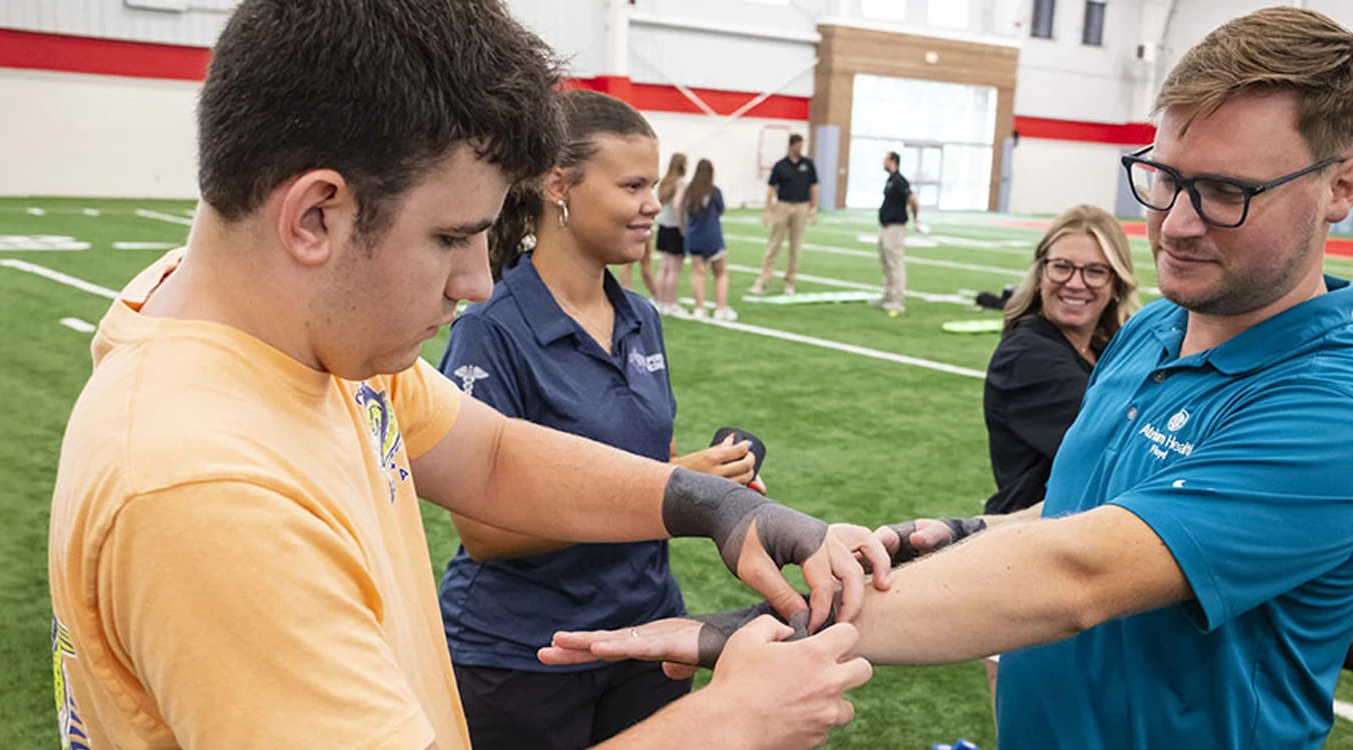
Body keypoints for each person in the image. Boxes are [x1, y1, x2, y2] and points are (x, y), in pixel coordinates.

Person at [43, 3, 878, 749]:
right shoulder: (205, 490)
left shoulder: (285, 326)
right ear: (314, 216)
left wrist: (716, 507)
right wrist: (725, 723)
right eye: (451, 238)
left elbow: (490, 456)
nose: (479, 280)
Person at [538, 8, 1353, 749]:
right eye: (1166, 177)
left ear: (1339, 186)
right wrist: (972, 533)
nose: (1175, 222)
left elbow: (1081, 574)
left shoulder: (1332, 401)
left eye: (1225, 193)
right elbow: (1087, 515)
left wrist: (751, 631)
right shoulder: (1151, 328)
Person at [437, 91, 762, 750]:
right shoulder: (492, 329)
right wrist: (678, 488)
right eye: (634, 185)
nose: (655, 203)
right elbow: (484, 532)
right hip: (526, 653)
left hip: (645, 636)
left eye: (653, 184)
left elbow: (650, 458)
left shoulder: (641, 316)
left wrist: (710, 482)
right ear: (559, 185)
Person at [983, 205, 1141, 515]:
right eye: (1062, 266)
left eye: (1095, 271)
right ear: (1041, 272)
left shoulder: (1105, 347)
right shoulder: (1027, 356)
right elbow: (1123, 448)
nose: (1075, 283)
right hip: (1032, 542)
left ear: (1116, 285)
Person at [751, 134, 818, 296]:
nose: (800, 149)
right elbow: (771, 188)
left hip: (801, 206)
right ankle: (764, 279)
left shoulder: (808, 164)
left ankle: (790, 281)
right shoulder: (780, 165)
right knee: (774, 245)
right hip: (783, 205)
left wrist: (814, 208)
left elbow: (814, 186)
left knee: (795, 247)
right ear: (791, 146)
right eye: (798, 146)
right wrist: (767, 211)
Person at [681, 159, 737, 321]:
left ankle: (699, 308)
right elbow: (721, 210)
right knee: (720, 273)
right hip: (712, 236)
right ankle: (720, 308)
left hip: (694, 237)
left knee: (698, 273)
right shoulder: (714, 192)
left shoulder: (689, 192)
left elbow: (684, 211)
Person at [871, 151, 918, 317]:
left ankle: (897, 300)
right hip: (886, 225)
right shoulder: (890, 180)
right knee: (885, 262)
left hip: (895, 227)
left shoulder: (899, 180)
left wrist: (916, 218)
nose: (883, 163)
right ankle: (888, 296)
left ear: (892, 161)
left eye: (885, 160)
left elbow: (912, 199)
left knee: (895, 263)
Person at [650, 153, 689, 316]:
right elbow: (678, 204)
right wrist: (682, 225)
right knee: (674, 268)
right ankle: (670, 302)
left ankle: (659, 300)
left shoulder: (665, 182)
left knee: (664, 266)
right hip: (674, 227)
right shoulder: (680, 183)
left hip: (664, 226)